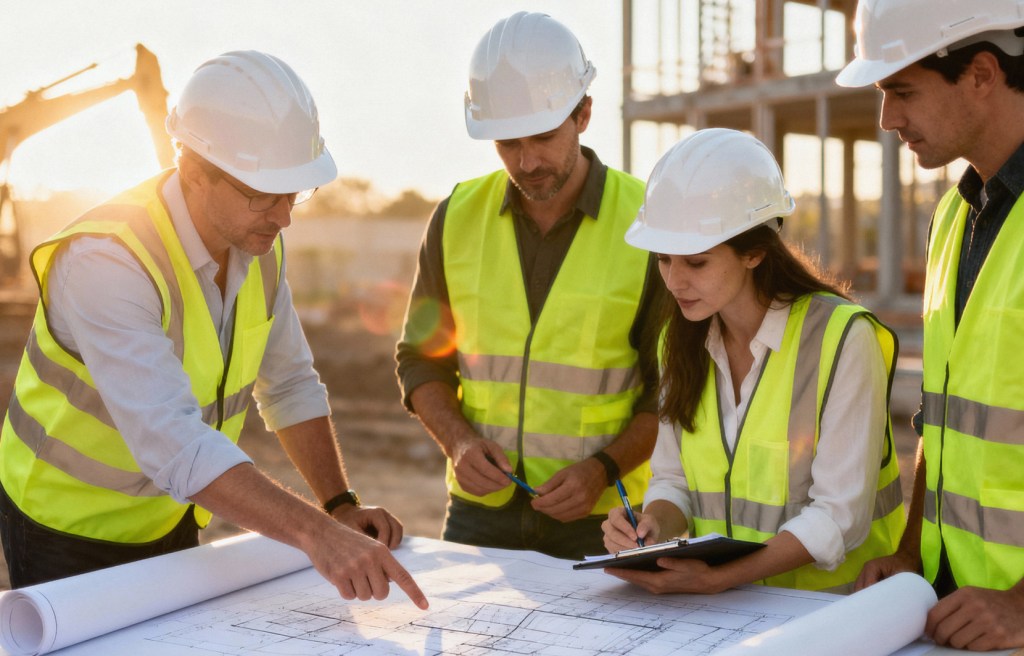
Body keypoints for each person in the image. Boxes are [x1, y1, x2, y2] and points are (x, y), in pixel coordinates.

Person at [0, 50, 427, 609]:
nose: (284, 217)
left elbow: (290, 384)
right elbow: (173, 441)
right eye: (262, 195)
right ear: (193, 172)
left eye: (293, 193)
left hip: (173, 510)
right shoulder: (106, 262)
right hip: (65, 525)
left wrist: (339, 505)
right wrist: (317, 536)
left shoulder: (259, 248)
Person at [395, 12, 662, 561]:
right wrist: (459, 443)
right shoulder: (456, 216)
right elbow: (420, 361)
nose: (528, 161)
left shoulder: (649, 223)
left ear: (583, 114)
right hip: (478, 514)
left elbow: (675, 392)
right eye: (507, 143)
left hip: (604, 517)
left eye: (543, 136)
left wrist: (601, 470)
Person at [601, 128, 906, 594]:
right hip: (726, 617)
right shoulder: (677, 342)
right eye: (663, 259)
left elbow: (838, 516)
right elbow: (673, 480)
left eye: (696, 263)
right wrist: (651, 527)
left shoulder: (843, 338)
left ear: (755, 253)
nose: (674, 281)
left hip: (832, 614)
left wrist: (721, 578)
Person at [837, 0, 1024, 649]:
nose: (887, 119)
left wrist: (1021, 605)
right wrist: (912, 554)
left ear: (981, 74)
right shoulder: (953, 217)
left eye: (903, 92)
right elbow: (942, 421)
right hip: (954, 613)